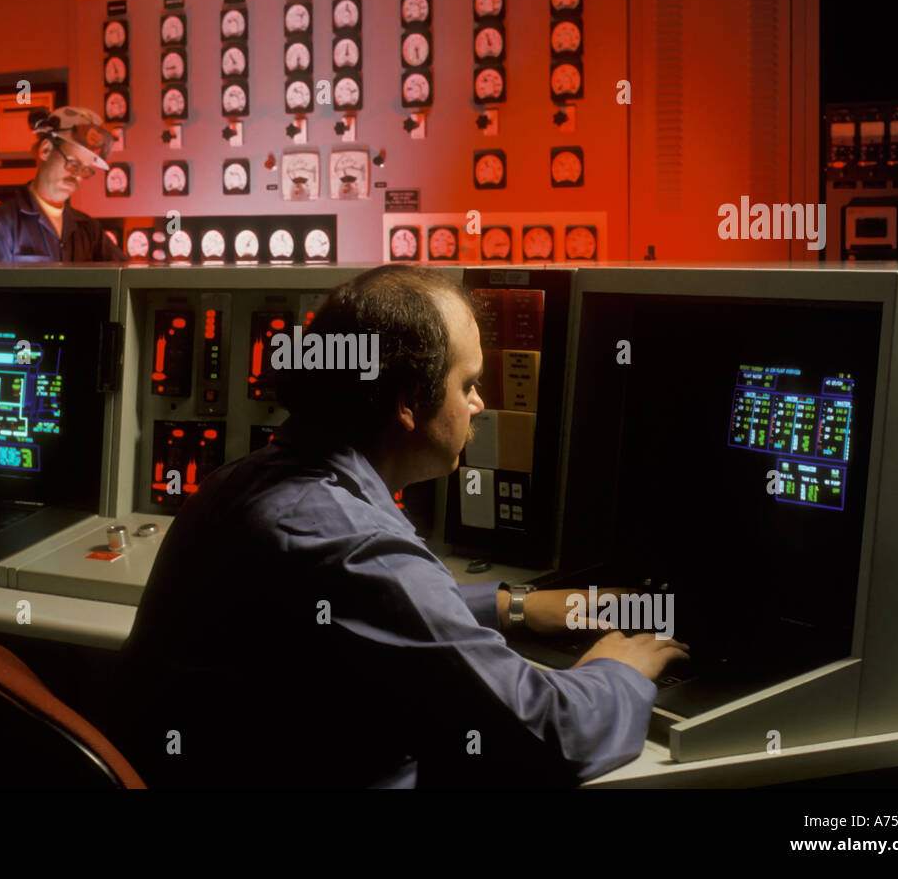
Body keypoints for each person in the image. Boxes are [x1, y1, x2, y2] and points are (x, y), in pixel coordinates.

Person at [108, 265, 689, 787]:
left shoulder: (246, 480)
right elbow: (554, 735)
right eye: (467, 384)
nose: (479, 405)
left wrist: (515, 606)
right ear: (409, 402)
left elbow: (386, 607)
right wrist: (620, 668)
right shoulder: (347, 544)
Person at [0, 106, 127, 263]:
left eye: (85, 170)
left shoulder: (88, 229)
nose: (77, 177)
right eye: (73, 163)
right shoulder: (0, 223)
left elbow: (126, 275)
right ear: (45, 150)